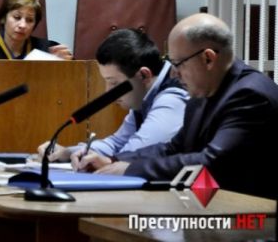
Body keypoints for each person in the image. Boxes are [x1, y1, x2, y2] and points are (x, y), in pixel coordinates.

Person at [77, 13, 278, 199]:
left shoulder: (250, 95)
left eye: (178, 63)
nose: (173, 73)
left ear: (208, 58)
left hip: (253, 217)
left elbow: (212, 163)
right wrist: (114, 160)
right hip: (215, 207)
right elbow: (174, 148)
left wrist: (129, 169)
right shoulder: (203, 91)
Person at [37, 28, 189, 166]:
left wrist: (103, 160)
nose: (107, 91)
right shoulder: (144, 93)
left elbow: (134, 154)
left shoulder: (173, 98)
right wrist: (68, 152)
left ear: (144, 75)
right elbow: (116, 143)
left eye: (114, 83)